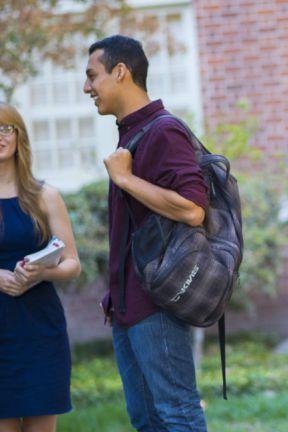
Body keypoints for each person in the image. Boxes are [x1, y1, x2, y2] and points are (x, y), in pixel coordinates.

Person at [83, 35, 208, 431]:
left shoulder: (163, 131)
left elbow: (192, 208)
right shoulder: (131, 133)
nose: (87, 87)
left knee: (177, 414)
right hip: (127, 306)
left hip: (156, 304)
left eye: (92, 76)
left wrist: (125, 179)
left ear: (121, 72)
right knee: (147, 419)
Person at [0, 103, 81, 432]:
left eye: (6, 129)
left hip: (40, 330)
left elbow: (72, 262)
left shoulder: (45, 196)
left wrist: (43, 273)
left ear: (19, 136)